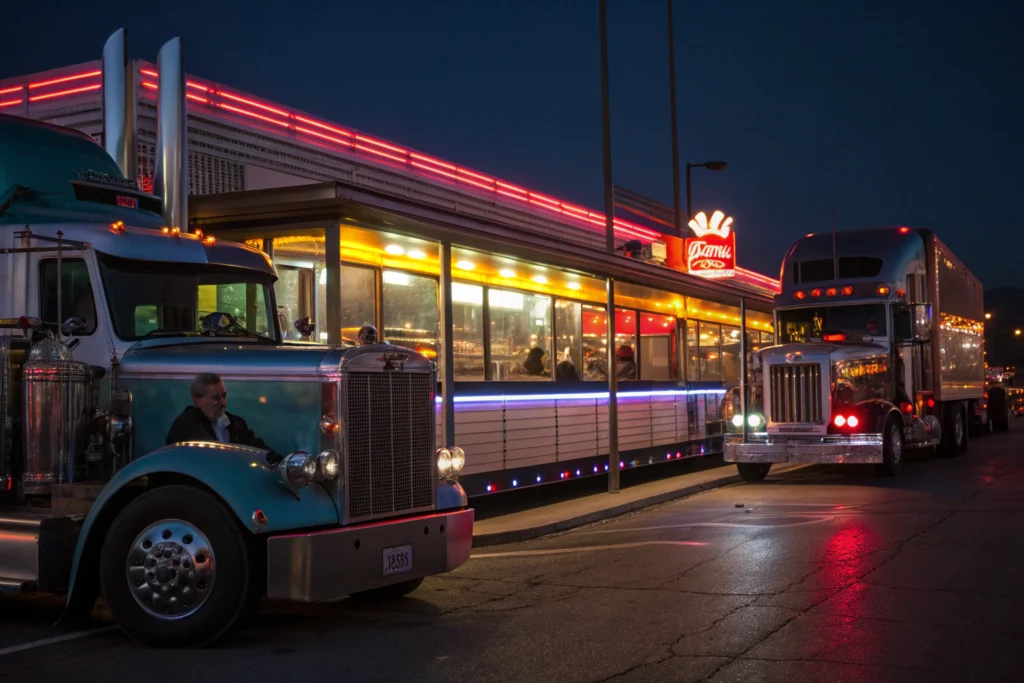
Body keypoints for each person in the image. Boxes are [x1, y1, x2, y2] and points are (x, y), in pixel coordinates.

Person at [166, 373, 280, 461]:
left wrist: (278, 462)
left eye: (224, 396)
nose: (223, 402)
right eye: (216, 398)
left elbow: (256, 448)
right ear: (197, 400)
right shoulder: (186, 427)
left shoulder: (236, 424)